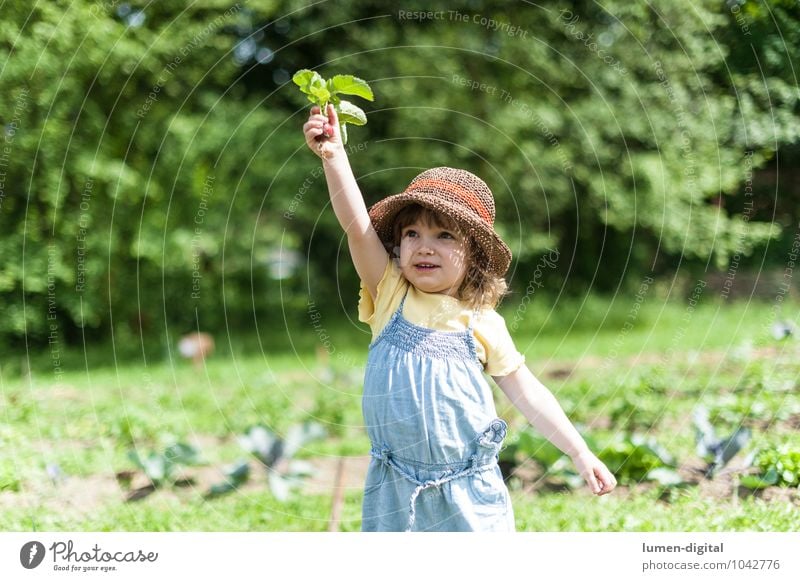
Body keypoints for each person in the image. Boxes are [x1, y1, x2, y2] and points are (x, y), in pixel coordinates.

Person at [302, 104, 616, 532]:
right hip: (395, 487)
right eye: (412, 234)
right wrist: (334, 155)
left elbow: (529, 394)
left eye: (443, 235)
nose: (424, 246)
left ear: (474, 255)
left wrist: (580, 452)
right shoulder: (390, 292)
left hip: (466, 489)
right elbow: (358, 226)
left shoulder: (482, 323)